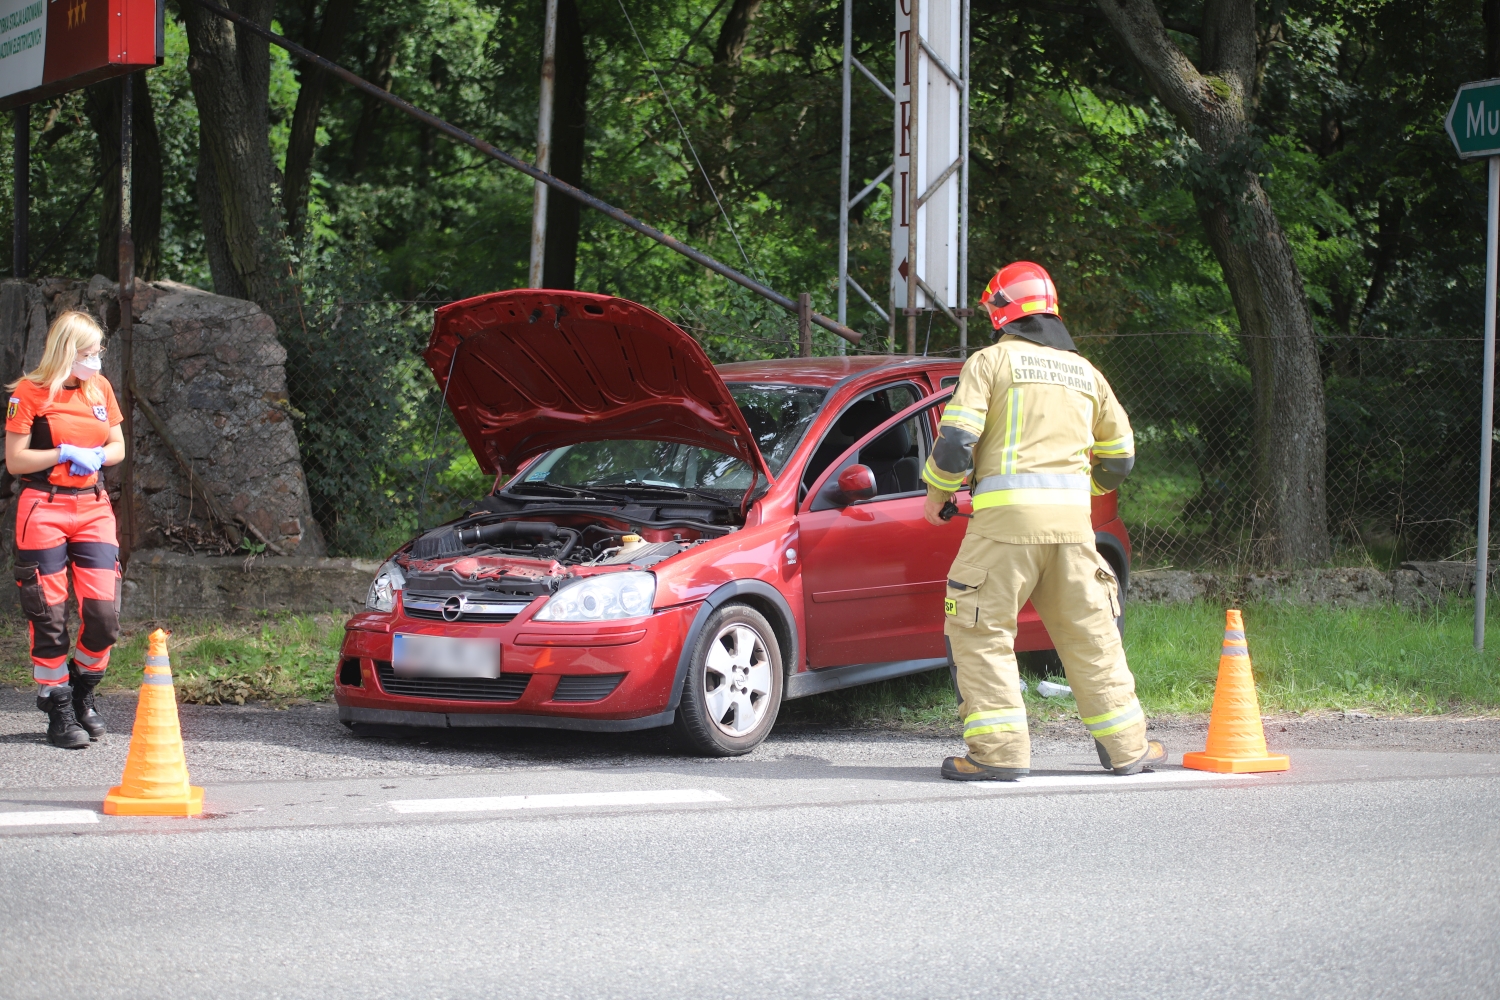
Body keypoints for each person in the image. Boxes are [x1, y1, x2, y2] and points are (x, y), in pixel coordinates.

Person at [921, 262, 1165, 780]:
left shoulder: (990, 363)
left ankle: (998, 755)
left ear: (1002, 312)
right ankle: (1128, 749)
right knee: (1091, 637)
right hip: (1075, 532)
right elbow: (1119, 458)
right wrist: (1087, 490)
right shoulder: (1087, 373)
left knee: (980, 633)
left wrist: (937, 495)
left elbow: (956, 442)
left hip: (1003, 532)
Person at [5, 311, 125, 749]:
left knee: (104, 615)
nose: (96, 361)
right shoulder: (29, 392)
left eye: (98, 352)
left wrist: (97, 457)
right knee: (48, 614)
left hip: (93, 506)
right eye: (89, 353)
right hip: (44, 506)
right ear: (66, 353)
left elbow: (118, 445)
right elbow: (16, 460)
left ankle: (81, 689)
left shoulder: (100, 389)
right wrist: (61, 452)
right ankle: (57, 703)